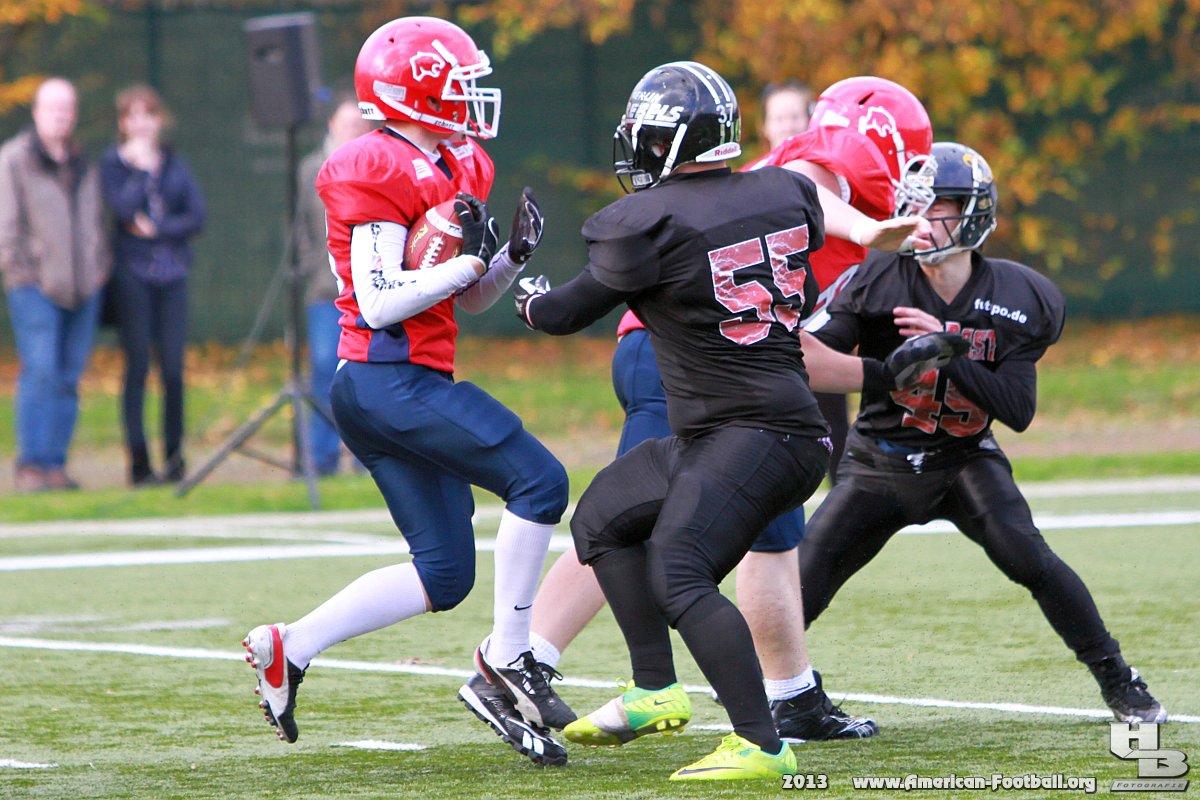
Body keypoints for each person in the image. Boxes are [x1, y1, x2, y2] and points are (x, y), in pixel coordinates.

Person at [513, 61, 932, 781]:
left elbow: (562, 315)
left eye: (648, 137)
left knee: (680, 569)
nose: (637, 149)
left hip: (760, 434)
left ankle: (761, 743)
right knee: (603, 518)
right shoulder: (782, 191)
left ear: (670, 142)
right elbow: (811, 198)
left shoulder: (646, 221)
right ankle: (654, 687)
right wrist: (868, 228)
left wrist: (524, 291)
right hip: (733, 431)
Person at [241, 17, 575, 768]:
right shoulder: (375, 164)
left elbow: (467, 300)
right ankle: (511, 655)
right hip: (385, 378)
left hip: (397, 384)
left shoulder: (459, 162)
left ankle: (292, 645)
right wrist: (466, 264)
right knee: (541, 481)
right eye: (460, 83)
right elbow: (379, 301)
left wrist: (507, 259)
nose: (473, 97)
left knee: (445, 574)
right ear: (416, 91)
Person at [798, 141, 1167, 725]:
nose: (920, 220)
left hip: (963, 459)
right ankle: (766, 684)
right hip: (879, 462)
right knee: (804, 578)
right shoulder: (878, 277)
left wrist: (946, 349)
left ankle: (1121, 681)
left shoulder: (1017, 296)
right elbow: (815, 356)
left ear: (972, 214)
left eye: (936, 206)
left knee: (1032, 560)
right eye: (912, 205)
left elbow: (1017, 409)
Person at [0, 77, 110, 493]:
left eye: (67, 108)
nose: (60, 116)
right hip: (34, 288)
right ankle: (32, 465)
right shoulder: (14, 159)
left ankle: (55, 465)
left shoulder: (82, 162)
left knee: (68, 377)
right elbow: (6, 227)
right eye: (52, 108)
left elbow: (95, 221)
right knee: (41, 372)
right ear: (36, 112)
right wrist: (23, 272)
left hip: (84, 289)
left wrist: (99, 266)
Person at [100, 84, 206, 486]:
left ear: (159, 119)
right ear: (124, 123)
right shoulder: (114, 164)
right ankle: (139, 464)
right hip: (132, 278)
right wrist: (140, 170)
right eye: (134, 116)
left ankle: (175, 460)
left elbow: (196, 215)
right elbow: (122, 209)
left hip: (172, 277)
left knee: (173, 369)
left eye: (149, 114)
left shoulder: (175, 163)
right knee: (138, 367)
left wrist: (159, 228)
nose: (142, 123)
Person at [294, 94, 372, 476]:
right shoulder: (311, 168)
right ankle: (322, 457)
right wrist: (315, 268)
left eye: (359, 125)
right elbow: (300, 227)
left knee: (366, 374)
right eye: (346, 124)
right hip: (326, 291)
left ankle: (365, 455)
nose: (352, 131)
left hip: (370, 291)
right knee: (325, 366)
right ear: (332, 126)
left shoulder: (377, 166)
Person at [759, 79, 813, 153]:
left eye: (795, 117)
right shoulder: (757, 162)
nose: (788, 127)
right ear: (764, 126)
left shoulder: (825, 159)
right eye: (779, 119)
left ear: (809, 120)